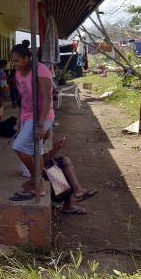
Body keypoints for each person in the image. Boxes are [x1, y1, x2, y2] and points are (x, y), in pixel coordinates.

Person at [9, 44, 55, 199]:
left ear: (27, 58)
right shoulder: (18, 73)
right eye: (12, 61)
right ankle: (39, 186)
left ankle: (36, 179)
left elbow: (48, 98)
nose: (14, 64)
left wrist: (42, 125)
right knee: (36, 149)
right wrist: (19, 116)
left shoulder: (40, 70)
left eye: (17, 61)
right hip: (27, 115)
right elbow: (24, 98)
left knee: (19, 146)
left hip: (42, 115)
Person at [41, 138, 98, 215]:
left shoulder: (34, 132)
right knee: (60, 171)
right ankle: (68, 203)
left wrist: (55, 146)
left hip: (39, 162)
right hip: (33, 170)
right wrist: (55, 149)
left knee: (66, 161)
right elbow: (39, 162)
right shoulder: (30, 135)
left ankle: (76, 191)